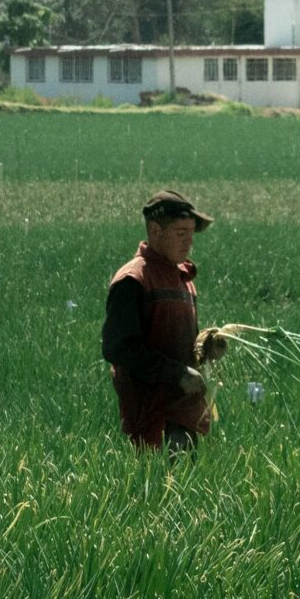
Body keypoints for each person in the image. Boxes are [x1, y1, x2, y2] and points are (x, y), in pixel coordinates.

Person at [101, 190, 228, 450]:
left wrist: (206, 346)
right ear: (155, 231)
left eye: (191, 233)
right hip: (152, 415)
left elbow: (176, 339)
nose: (189, 242)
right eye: (181, 233)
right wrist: (177, 373)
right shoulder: (133, 280)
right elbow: (119, 348)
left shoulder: (182, 277)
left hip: (186, 411)